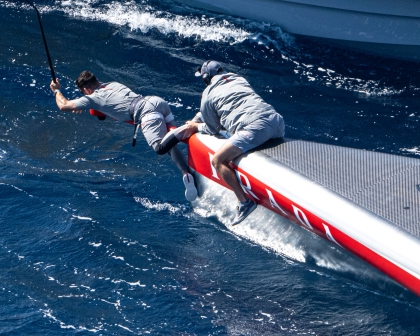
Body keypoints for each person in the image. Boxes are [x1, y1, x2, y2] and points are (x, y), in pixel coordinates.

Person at [49, 71, 198, 201]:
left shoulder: (94, 97)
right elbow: (105, 109)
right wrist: (84, 105)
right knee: (170, 143)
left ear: (86, 90)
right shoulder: (112, 84)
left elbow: (63, 106)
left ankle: (190, 126)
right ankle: (187, 174)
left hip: (146, 113)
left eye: (83, 93)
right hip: (157, 102)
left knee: (159, 147)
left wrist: (57, 91)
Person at [182, 60, 285, 225]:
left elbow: (212, 129)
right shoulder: (238, 78)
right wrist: (197, 119)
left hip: (255, 128)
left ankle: (244, 203)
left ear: (205, 78)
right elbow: (234, 104)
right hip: (277, 121)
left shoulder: (207, 94)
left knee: (218, 160)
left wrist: (195, 126)